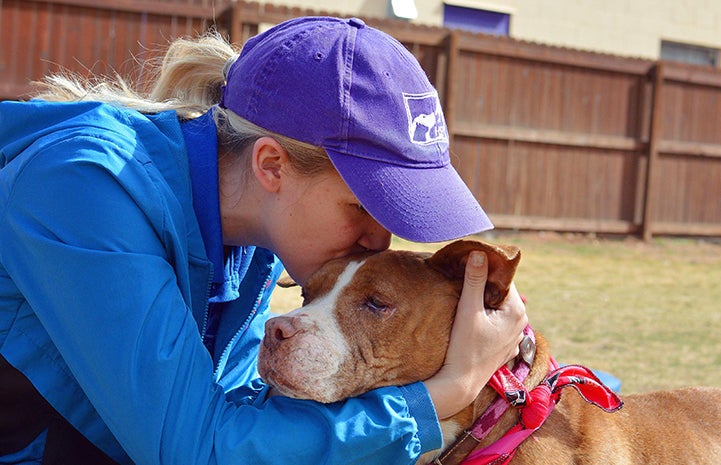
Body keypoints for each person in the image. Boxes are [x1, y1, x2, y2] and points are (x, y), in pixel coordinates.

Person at [0, 16, 527, 465]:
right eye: (363, 207)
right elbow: (198, 450)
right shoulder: (84, 184)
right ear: (271, 165)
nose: (377, 241)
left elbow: (244, 412)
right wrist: (444, 396)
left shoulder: (255, 236)